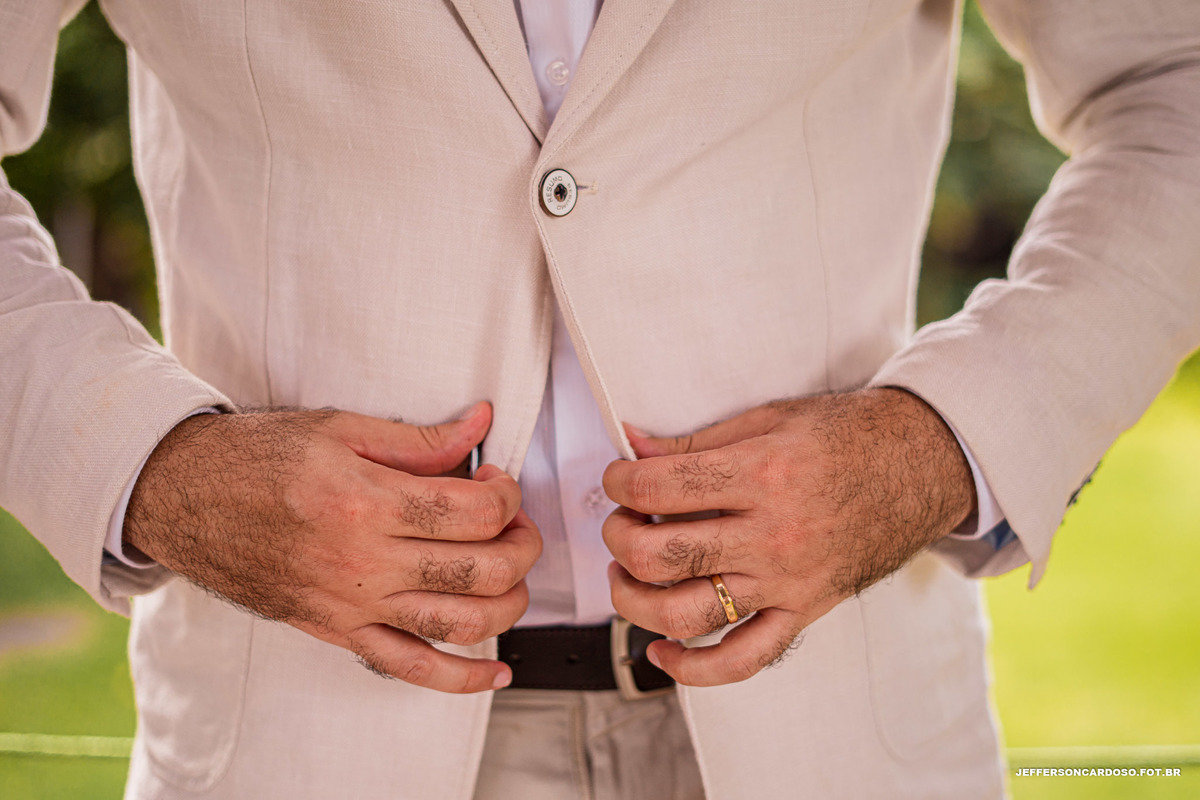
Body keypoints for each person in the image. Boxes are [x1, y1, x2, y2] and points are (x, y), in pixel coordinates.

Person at [2, 0, 1198, 797]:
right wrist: (156, 470)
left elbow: (1174, 81)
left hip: (844, 733)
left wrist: (939, 448)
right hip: (299, 739)